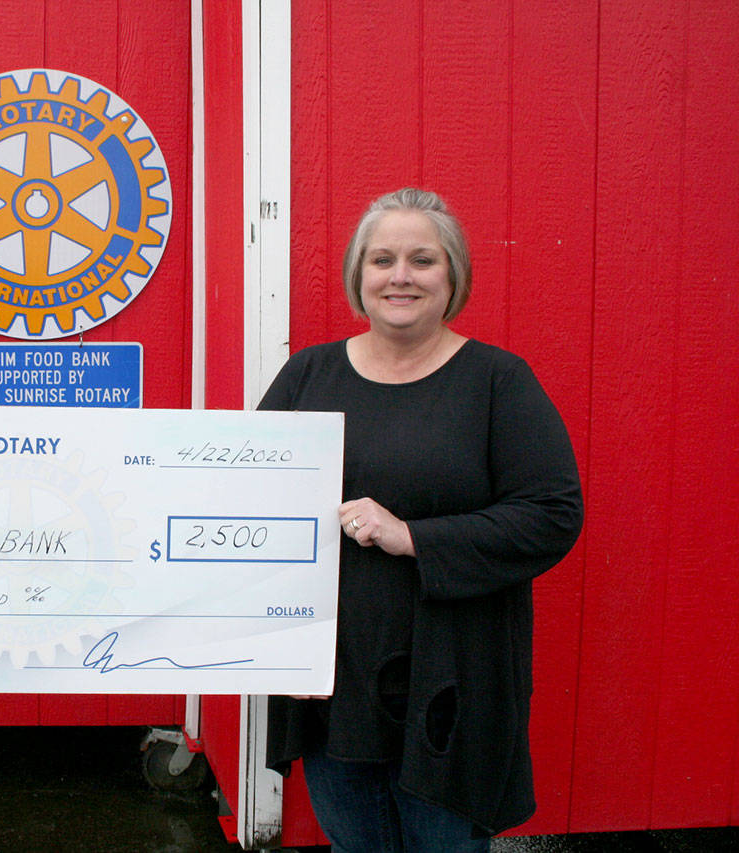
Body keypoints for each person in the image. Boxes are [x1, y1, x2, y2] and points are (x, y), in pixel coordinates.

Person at [260, 188, 583, 851]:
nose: (400, 276)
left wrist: (412, 537)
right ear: (358, 275)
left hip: (450, 689)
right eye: (382, 259)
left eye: (422, 260)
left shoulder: (497, 382)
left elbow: (551, 515)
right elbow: (246, 507)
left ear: (452, 275)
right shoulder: (308, 375)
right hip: (333, 687)